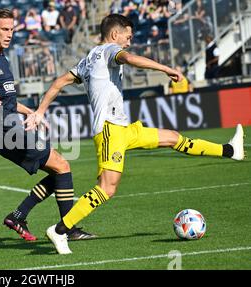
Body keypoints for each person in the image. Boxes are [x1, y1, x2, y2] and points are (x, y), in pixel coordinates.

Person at [24, 14, 245, 254]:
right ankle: (60, 230)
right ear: (114, 34)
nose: (128, 42)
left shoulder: (87, 59)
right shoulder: (110, 50)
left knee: (172, 137)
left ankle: (230, 150)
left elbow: (58, 82)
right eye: (127, 37)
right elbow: (128, 58)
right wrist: (166, 68)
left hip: (124, 129)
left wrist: (40, 111)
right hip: (111, 130)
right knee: (107, 188)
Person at [0, 8, 94, 241]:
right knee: (62, 166)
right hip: (5, 130)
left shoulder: (2, 58)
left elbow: (10, 102)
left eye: (12, 29)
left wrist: (33, 112)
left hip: (5, 130)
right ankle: (68, 229)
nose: (9, 34)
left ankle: (18, 215)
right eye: (4, 29)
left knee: (59, 172)